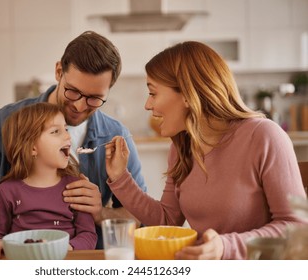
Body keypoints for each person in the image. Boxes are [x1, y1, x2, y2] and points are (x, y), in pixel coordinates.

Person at [105, 41, 307, 260]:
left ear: (187, 94)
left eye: (153, 93)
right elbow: (166, 220)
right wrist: (120, 177)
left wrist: (225, 247)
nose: (147, 104)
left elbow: (295, 228)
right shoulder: (181, 146)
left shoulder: (264, 136)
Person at [0, 30, 146, 248]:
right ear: (59, 71)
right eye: (72, 91)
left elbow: (140, 215)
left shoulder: (116, 138)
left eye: (95, 98)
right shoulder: (4, 123)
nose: (79, 106)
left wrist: (101, 213)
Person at [0, 103, 97, 259]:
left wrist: (67, 248)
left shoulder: (76, 187)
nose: (68, 136)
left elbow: (88, 235)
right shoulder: (8, 190)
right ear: (32, 148)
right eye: (56, 131)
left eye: (66, 129)